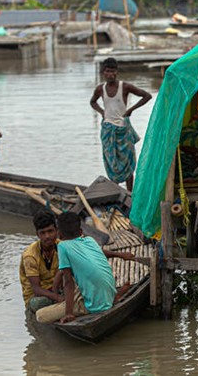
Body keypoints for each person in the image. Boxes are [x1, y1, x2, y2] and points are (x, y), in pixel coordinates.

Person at [35, 212, 134, 324]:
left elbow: (68, 283)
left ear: (59, 234)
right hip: (108, 291)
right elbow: (100, 252)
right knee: (76, 276)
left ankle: (90, 304)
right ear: (81, 231)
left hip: (94, 307)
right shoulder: (90, 240)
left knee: (40, 316)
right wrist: (120, 255)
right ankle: (113, 297)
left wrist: (69, 313)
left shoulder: (62, 246)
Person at [90, 57, 152, 192]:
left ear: (116, 72)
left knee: (127, 162)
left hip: (123, 130)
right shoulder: (100, 89)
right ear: (103, 72)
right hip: (108, 129)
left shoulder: (125, 87)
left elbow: (147, 96)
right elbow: (93, 102)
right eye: (107, 71)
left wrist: (130, 110)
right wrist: (102, 112)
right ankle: (116, 192)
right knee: (112, 163)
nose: (110, 74)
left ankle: (130, 194)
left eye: (112, 71)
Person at [19, 211, 63, 313]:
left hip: (57, 290)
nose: (47, 236)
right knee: (38, 303)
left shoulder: (62, 246)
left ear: (56, 231)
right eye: (43, 233)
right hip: (38, 296)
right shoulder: (30, 255)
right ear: (37, 235)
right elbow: (36, 289)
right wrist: (57, 297)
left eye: (50, 231)